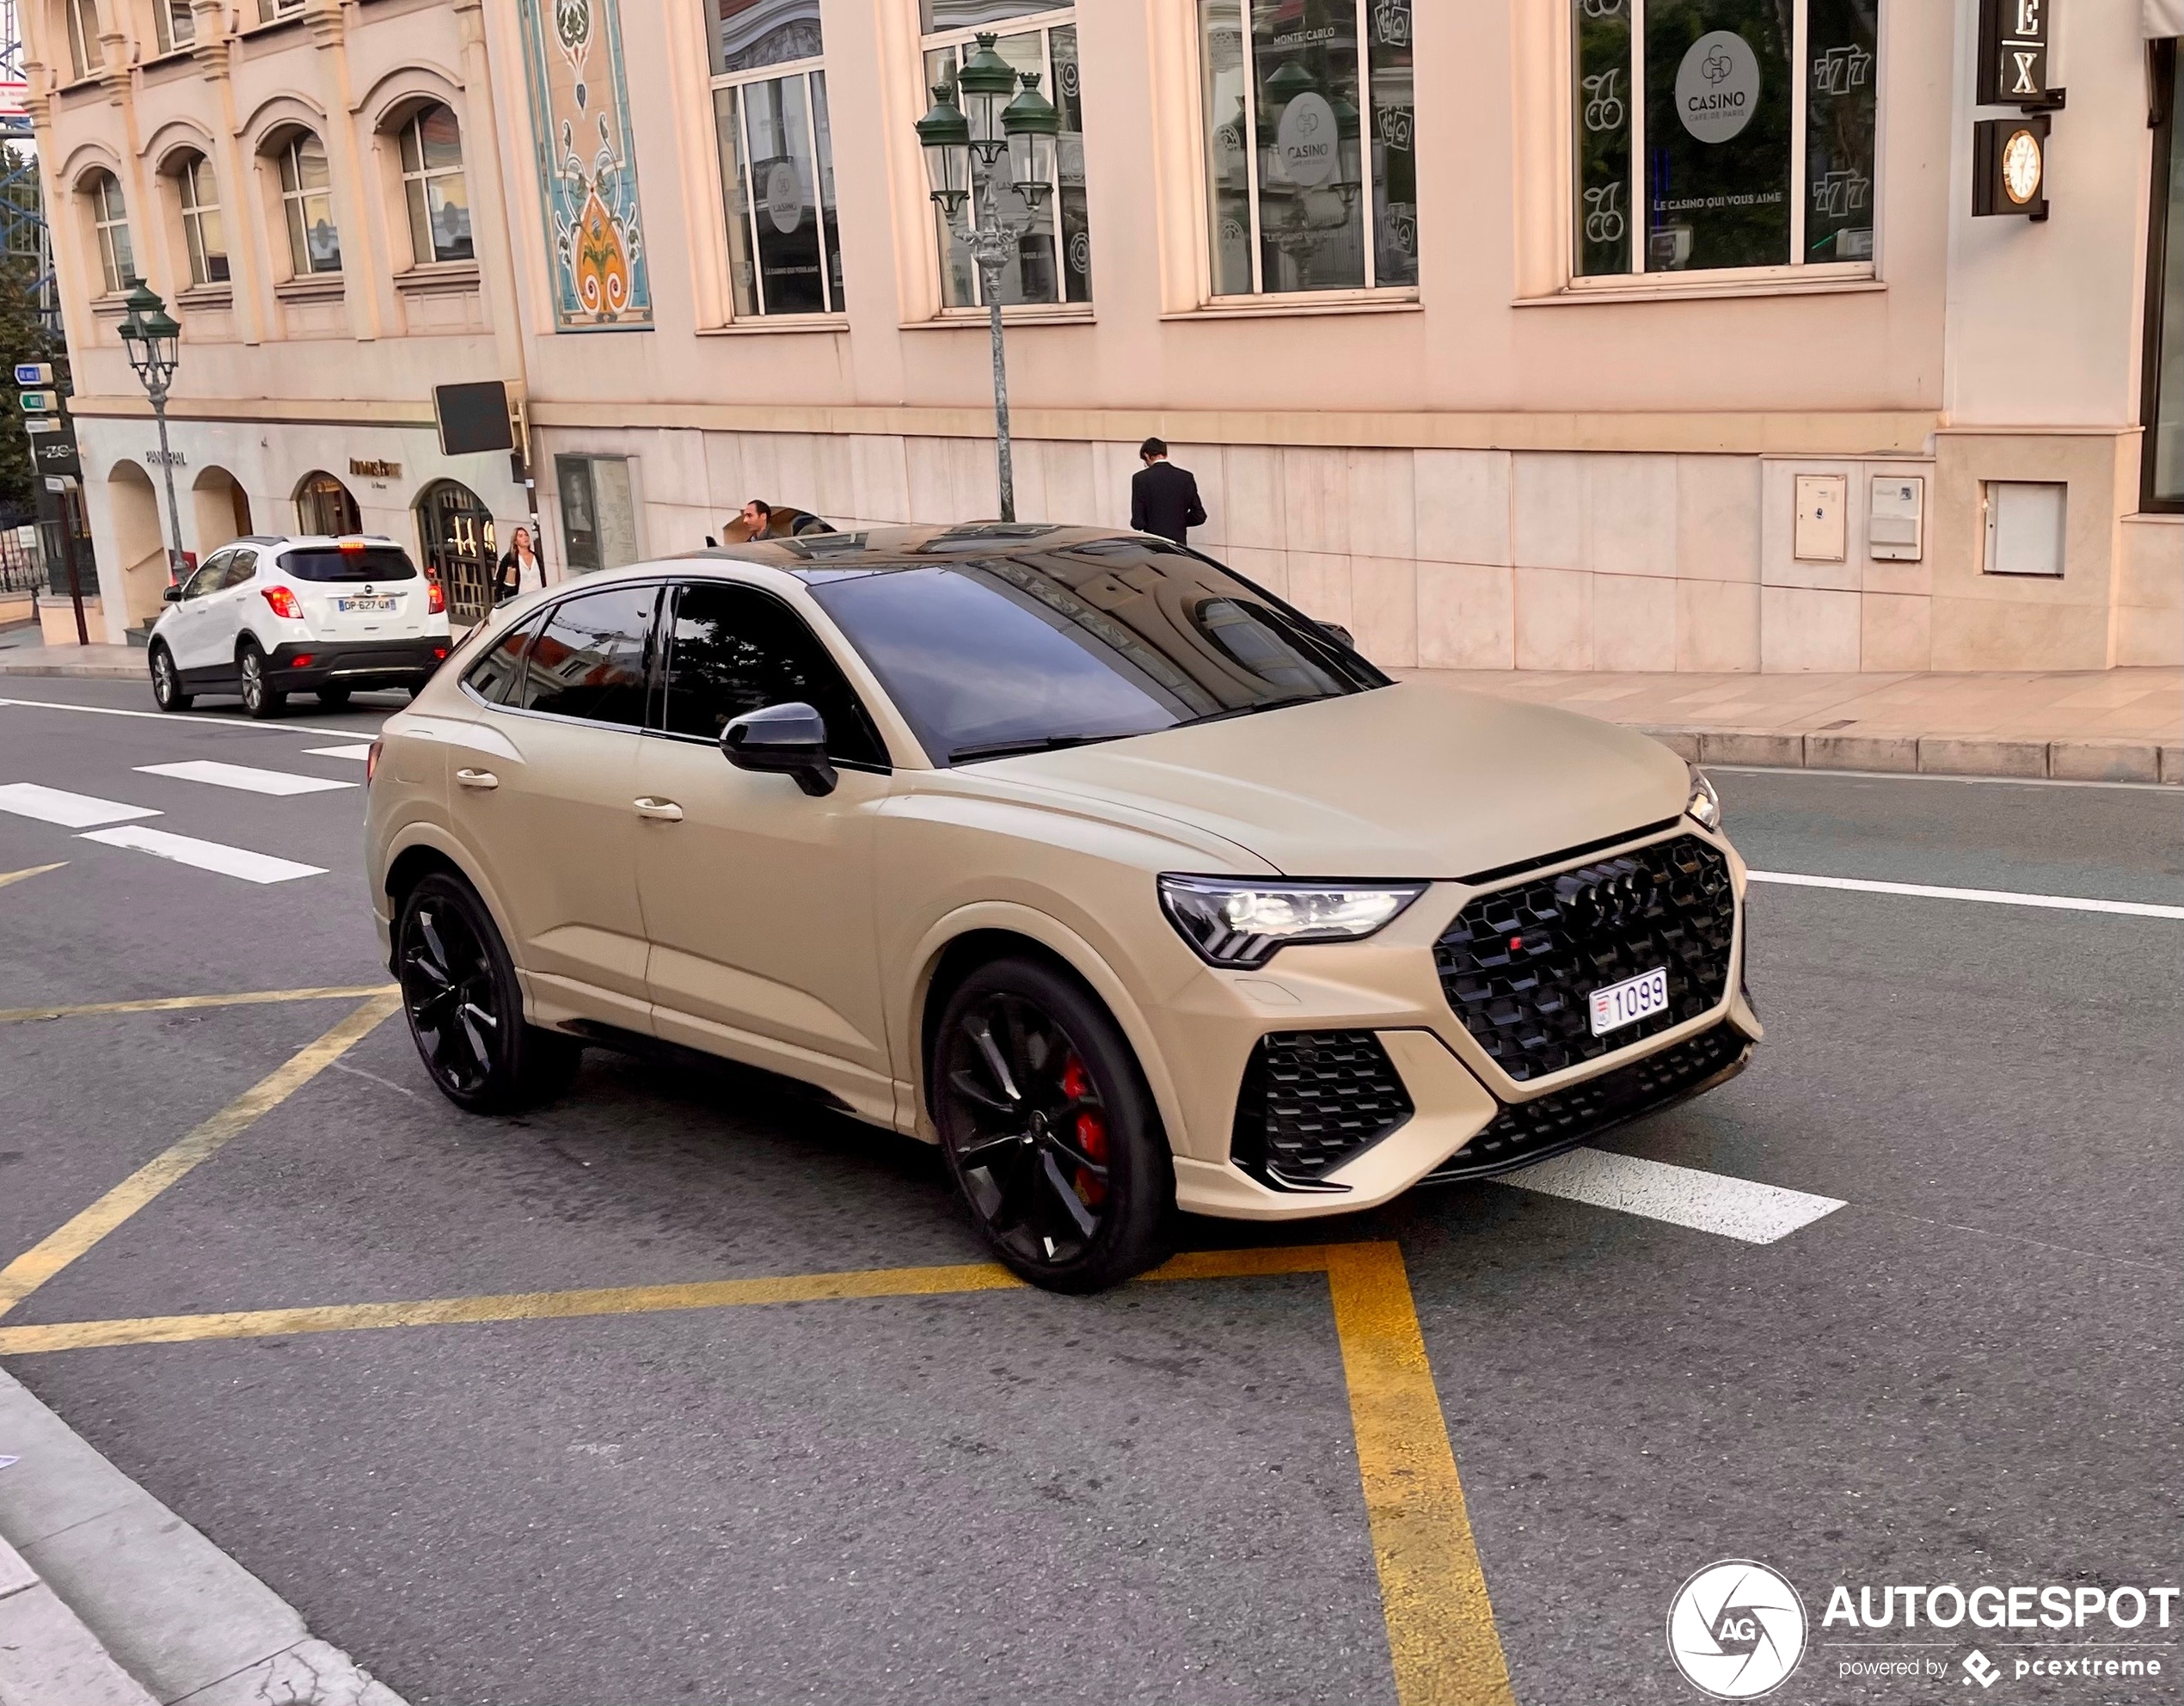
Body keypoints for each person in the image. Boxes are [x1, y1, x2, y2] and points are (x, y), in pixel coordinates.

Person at [1130, 439, 1206, 547]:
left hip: (1153, 544)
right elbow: (1199, 516)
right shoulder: (1185, 477)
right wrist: (1179, 521)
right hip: (1179, 544)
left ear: (1146, 455)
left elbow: (1138, 522)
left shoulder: (1140, 478)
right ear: (1165, 454)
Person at [494, 525, 543, 604]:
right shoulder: (510, 559)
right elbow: (500, 579)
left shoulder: (536, 557)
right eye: (521, 536)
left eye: (526, 535)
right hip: (520, 601)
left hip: (538, 599)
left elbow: (542, 577)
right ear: (515, 541)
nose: (525, 538)